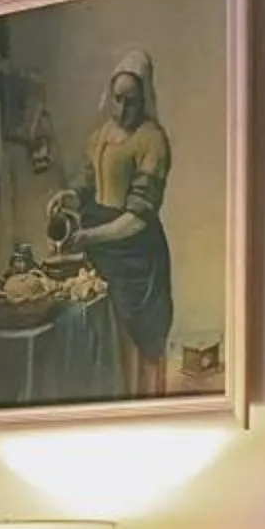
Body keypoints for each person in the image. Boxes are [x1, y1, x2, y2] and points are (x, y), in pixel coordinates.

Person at [55, 47, 174, 395]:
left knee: (145, 341)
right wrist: (69, 196)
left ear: (144, 99)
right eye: (117, 99)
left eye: (132, 101)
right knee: (111, 339)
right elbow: (88, 182)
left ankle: (150, 414)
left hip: (137, 254)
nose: (122, 109)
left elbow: (138, 218)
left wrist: (90, 236)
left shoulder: (153, 140)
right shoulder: (99, 136)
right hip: (104, 255)